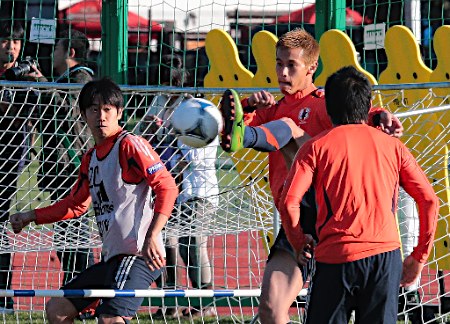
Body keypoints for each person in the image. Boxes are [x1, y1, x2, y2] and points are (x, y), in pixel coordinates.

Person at [219, 28, 404, 323]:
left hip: (330, 212)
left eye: (291, 65)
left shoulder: (321, 102)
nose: (283, 72)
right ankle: (245, 135)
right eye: (279, 63)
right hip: (297, 218)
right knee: (270, 308)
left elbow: (356, 112)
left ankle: (247, 136)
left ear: (312, 67)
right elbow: (228, 128)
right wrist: (249, 107)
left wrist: (380, 115)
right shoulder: (273, 107)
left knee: (290, 129)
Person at [9, 78, 179, 324]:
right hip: (112, 259)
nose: (101, 116)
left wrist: (153, 235)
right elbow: (76, 204)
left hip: (138, 257)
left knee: (110, 319)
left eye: (108, 109)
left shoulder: (130, 144)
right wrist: (30, 216)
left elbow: (167, 186)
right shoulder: (90, 157)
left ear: (119, 112)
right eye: (94, 109)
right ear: (83, 115)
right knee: (57, 308)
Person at [279, 66, 439, 323]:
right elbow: (430, 200)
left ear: (328, 109)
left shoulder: (314, 148)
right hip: (385, 261)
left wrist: (299, 241)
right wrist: (419, 256)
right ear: (368, 107)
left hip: (335, 259)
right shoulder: (394, 147)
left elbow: (289, 204)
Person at [139, 54, 218, 318]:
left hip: (196, 191)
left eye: (167, 88)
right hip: (167, 190)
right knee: (165, 244)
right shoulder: (159, 102)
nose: (163, 95)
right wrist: (150, 129)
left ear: (179, 85)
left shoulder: (197, 109)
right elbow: (145, 138)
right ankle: (169, 301)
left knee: (192, 243)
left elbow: (193, 157)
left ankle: (204, 301)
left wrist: (170, 133)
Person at [31, 29, 95, 285]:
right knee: (65, 235)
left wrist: (43, 85)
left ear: (69, 52)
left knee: (75, 235)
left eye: (56, 48)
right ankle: (74, 287)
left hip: (71, 167)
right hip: (62, 167)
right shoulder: (68, 79)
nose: (52, 54)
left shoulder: (80, 78)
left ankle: (84, 291)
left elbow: (67, 111)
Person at [0, 19, 29, 313]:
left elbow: (30, 115)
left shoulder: (26, 80)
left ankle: (4, 296)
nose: (12, 48)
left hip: (8, 163)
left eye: (16, 43)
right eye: (6, 41)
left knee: (1, 227)